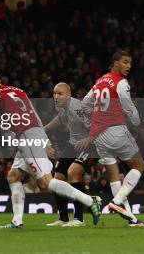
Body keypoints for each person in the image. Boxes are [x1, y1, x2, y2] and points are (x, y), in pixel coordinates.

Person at [0, 69, 101, 229]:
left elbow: (2, 124)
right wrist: (45, 140)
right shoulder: (17, 90)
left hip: (26, 137)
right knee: (13, 176)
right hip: (33, 133)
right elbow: (34, 115)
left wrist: (10, 141)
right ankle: (17, 221)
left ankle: (90, 201)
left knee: (45, 182)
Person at [77, 50, 144, 227]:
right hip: (115, 130)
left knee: (114, 176)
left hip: (99, 135)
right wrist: (138, 123)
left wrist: (92, 123)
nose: (128, 66)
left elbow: (84, 104)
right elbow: (128, 107)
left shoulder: (99, 81)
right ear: (115, 62)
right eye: (124, 62)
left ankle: (130, 219)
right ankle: (116, 203)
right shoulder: (121, 83)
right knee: (139, 165)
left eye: (130, 63)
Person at [43, 82, 96, 227]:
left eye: (60, 94)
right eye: (54, 93)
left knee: (73, 173)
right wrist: (43, 129)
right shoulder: (62, 108)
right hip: (73, 144)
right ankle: (63, 218)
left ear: (69, 95)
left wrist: (87, 139)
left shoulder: (77, 108)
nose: (56, 96)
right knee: (57, 178)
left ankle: (79, 219)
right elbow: (60, 120)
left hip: (90, 145)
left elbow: (96, 127)